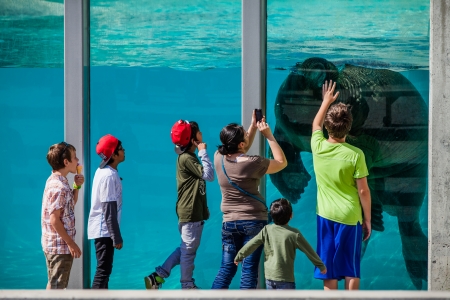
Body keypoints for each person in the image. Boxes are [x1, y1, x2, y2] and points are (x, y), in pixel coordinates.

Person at [211, 111, 287, 289]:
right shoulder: (253, 162)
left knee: (226, 269)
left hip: (229, 223)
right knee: (249, 270)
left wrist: (252, 127)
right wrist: (268, 135)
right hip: (253, 222)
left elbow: (240, 149)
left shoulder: (218, 157)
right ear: (241, 143)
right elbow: (281, 162)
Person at [311, 80, 371, 290]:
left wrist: (326, 101)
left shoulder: (317, 146)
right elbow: (363, 190)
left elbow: (315, 125)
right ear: (349, 126)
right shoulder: (356, 155)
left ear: (329, 126)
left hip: (325, 216)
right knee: (351, 269)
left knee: (329, 269)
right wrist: (368, 219)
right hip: (350, 216)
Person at [144, 120, 214, 289]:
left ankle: (158, 276)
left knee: (185, 249)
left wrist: (203, 209)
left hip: (191, 211)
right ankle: (187, 285)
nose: (202, 134)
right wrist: (203, 151)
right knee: (188, 252)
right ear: (192, 139)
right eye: (199, 133)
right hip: (190, 213)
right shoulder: (187, 158)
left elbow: (195, 187)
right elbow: (209, 175)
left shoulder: (187, 158)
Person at [234, 198, 326, 289]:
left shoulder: (266, 230)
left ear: (272, 216)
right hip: (285, 279)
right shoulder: (294, 234)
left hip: (269, 277)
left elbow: (252, 244)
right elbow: (309, 251)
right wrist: (321, 266)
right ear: (291, 215)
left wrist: (239, 256)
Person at [41, 142, 85, 289]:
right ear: (66, 162)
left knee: (54, 284)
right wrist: (71, 243)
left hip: (56, 246)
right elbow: (54, 220)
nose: (78, 161)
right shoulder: (59, 187)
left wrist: (76, 187)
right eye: (75, 158)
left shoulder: (59, 182)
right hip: (59, 247)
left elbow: (70, 205)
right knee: (57, 287)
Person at [87, 134, 125, 289]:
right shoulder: (108, 175)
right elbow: (108, 209)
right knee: (103, 271)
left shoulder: (104, 171)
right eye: (120, 149)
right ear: (114, 155)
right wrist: (116, 237)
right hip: (104, 231)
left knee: (105, 270)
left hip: (104, 230)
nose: (124, 151)